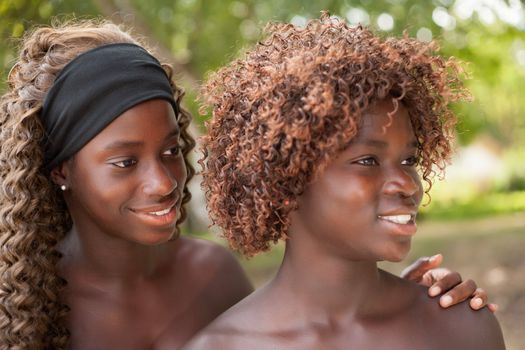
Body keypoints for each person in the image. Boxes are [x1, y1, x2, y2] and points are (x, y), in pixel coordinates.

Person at [0, 19, 493, 349]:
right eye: (125, 162)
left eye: (172, 150)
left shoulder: (212, 275)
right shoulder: (21, 301)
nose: (163, 181)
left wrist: (407, 309)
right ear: (61, 168)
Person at [184, 14, 505, 350]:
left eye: (409, 160)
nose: (408, 184)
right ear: (286, 180)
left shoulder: (461, 329)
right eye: (368, 161)